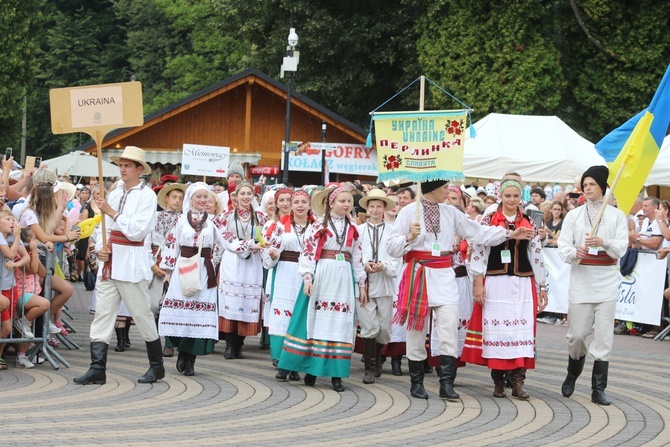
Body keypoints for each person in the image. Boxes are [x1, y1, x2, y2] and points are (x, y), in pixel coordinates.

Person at [387, 180, 534, 400]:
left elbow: (477, 232)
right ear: (433, 189)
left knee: (448, 328)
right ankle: (416, 384)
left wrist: (508, 234)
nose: (448, 192)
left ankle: (447, 384)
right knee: (416, 332)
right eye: (444, 188)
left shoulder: (451, 212)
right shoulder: (409, 212)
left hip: (444, 275)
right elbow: (391, 247)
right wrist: (409, 237)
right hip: (418, 273)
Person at [74, 146, 164, 385]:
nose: (122, 169)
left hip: (132, 261)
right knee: (103, 314)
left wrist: (111, 211)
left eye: (127, 165)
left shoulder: (147, 196)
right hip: (110, 261)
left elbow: (136, 232)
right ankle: (97, 367)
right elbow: (106, 228)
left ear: (138, 169)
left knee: (142, 313)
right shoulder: (114, 193)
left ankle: (157, 366)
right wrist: (101, 248)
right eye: (121, 165)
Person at [461, 180, 548, 400]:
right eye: (507, 196)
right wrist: (478, 282)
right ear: (501, 196)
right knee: (497, 331)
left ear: (521, 198)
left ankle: (518, 381)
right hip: (496, 281)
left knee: (522, 331)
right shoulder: (490, 220)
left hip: (522, 282)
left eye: (515, 196)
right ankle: (498, 380)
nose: (511, 200)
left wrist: (542, 285)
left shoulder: (529, 221)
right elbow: (480, 252)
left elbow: (536, 255)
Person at [278, 185, 367, 392]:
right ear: (331, 203)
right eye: (342, 201)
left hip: (343, 276)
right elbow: (308, 252)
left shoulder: (353, 228)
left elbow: (357, 257)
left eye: (348, 202)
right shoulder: (318, 226)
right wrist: (308, 278)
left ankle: (337, 375)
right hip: (323, 274)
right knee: (316, 321)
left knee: (340, 323)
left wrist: (361, 284)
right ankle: (312, 369)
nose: (346, 205)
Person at [557, 165, 628, 405]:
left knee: (604, 336)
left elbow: (621, 247)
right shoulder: (574, 216)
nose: (587, 189)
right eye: (585, 185)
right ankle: (573, 372)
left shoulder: (617, 216)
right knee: (576, 336)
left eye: (592, 185)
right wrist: (574, 251)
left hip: (606, 280)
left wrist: (603, 241)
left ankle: (598, 388)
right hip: (581, 279)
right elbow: (563, 247)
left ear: (603, 187)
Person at [158, 183, 225, 376]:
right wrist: (168, 273)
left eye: (206, 197)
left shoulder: (214, 221)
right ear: (191, 199)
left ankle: (191, 359)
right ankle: (182, 350)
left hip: (204, 271)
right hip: (183, 268)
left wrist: (248, 245)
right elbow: (172, 245)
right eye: (199, 197)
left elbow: (228, 240)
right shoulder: (181, 221)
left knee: (198, 315)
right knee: (182, 313)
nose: (203, 200)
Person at [263, 189, 313, 381]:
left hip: (305, 275)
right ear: (291, 206)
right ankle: (283, 363)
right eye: (296, 202)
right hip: (285, 272)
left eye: (303, 202)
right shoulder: (281, 226)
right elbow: (270, 249)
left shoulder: (316, 226)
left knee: (300, 318)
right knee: (282, 316)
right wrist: (273, 254)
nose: (300, 206)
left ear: (309, 205)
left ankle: (295, 363)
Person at [214, 181, 268, 359]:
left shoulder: (260, 217)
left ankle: (240, 344)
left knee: (246, 303)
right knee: (231, 300)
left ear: (253, 196)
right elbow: (223, 239)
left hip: (252, 263)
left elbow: (263, 239)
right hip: (232, 262)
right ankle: (229, 344)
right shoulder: (226, 216)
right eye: (242, 194)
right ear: (235, 197)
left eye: (249, 194)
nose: (246, 197)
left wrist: (260, 245)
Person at [356, 189, 397, 384]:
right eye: (371, 206)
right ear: (367, 208)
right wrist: (365, 264)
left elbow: (397, 257)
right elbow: (355, 254)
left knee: (383, 328)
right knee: (369, 326)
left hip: (385, 283)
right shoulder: (359, 230)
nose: (374, 210)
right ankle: (370, 367)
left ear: (384, 208)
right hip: (364, 284)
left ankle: (379, 357)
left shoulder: (393, 230)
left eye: (378, 206)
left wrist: (384, 265)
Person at [151, 182, 186, 357]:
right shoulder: (156, 217)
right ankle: (156, 338)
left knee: (172, 303)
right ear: (166, 198)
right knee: (155, 304)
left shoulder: (187, 218)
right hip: (159, 262)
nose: (177, 201)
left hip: (180, 263)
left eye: (181, 198)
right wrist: (153, 264)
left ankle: (169, 342)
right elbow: (149, 241)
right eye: (174, 197)